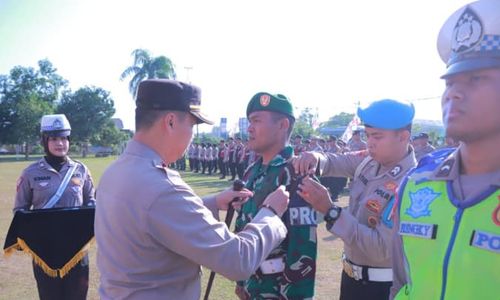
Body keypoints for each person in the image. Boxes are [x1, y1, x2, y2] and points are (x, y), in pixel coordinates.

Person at [95, 79, 290, 300]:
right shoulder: (162, 187)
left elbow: (149, 216)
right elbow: (238, 260)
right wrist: (271, 214)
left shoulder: (116, 171)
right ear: (170, 122)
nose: (190, 136)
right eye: (191, 125)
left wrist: (214, 202)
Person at [391, 1, 500, 299]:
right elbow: (402, 282)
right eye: (450, 82)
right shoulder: (416, 183)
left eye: (475, 79)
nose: (454, 92)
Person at [293, 99, 417, 300]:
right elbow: (336, 161)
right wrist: (316, 158)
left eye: (377, 136)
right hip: (351, 279)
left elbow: (380, 248)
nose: (370, 142)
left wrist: (330, 210)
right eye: (368, 135)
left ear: (403, 137)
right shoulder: (369, 161)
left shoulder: (410, 183)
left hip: (380, 289)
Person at [235, 92, 317, 300]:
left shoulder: (296, 172)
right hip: (253, 285)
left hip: (279, 290)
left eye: (257, 121)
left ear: (283, 125)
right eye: (249, 121)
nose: (249, 128)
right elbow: (243, 225)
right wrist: (241, 280)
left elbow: (303, 248)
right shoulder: (252, 171)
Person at [13, 114, 96, 300]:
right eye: (54, 138)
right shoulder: (30, 173)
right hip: (45, 252)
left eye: (64, 138)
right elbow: (20, 210)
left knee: (77, 296)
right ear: (45, 141)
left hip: (77, 251)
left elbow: (91, 202)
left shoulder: (80, 170)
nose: (60, 143)